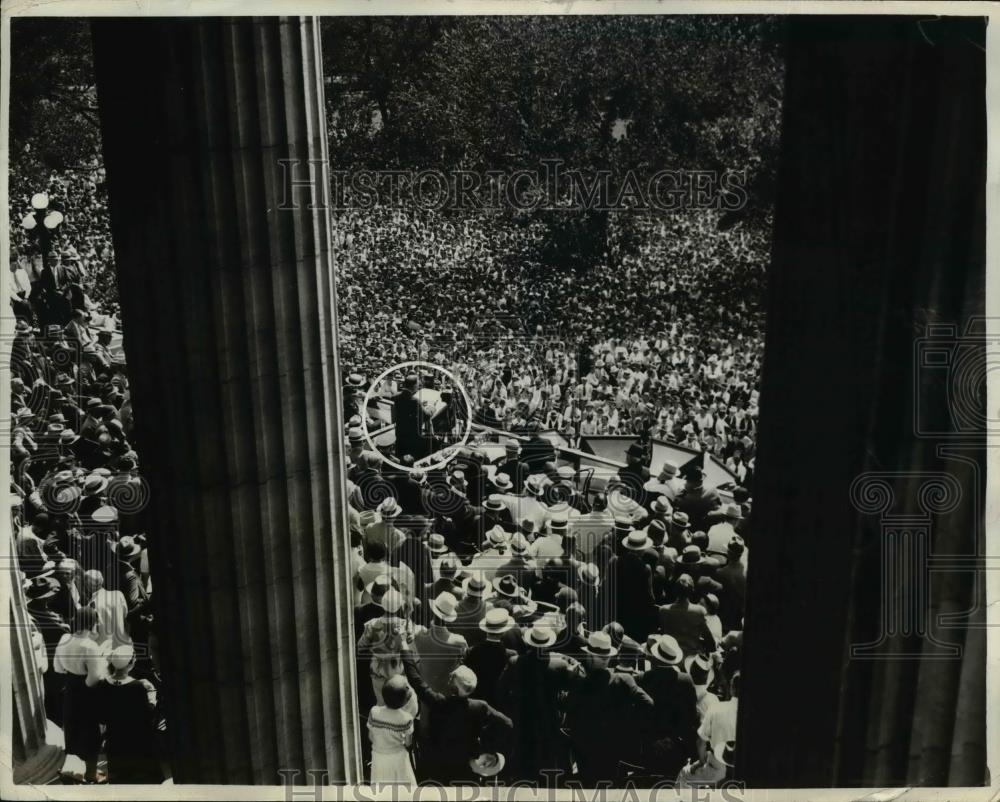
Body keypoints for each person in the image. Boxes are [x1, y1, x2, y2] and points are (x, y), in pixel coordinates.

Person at [399, 645, 512, 784]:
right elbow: (507, 724)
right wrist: (488, 749)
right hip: (467, 765)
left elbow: (415, 679)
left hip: (439, 765)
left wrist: (404, 647)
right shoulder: (480, 706)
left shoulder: (438, 702)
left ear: (451, 685)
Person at [564, 631, 655, 786]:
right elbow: (648, 703)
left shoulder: (579, 684)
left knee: (589, 787)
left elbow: (568, 709)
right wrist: (628, 724)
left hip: (586, 749)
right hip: (615, 747)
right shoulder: (623, 680)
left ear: (590, 656)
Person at [94, 644, 163, 783]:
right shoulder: (138, 686)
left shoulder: (103, 684)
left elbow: (101, 717)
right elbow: (147, 715)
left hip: (115, 742)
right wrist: (152, 698)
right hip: (138, 742)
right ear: (130, 663)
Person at [53, 606, 106, 783]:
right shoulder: (90, 646)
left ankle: (72, 769)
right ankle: (91, 774)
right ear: (92, 623)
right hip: (86, 692)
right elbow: (95, 677)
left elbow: (57, 668)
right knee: (91, 732)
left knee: (72, 729)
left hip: (70, 688)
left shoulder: (64, 638)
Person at [676, 672, 740, 788]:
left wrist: (700, 762)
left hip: (718, 770)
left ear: (732, 688)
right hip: (745, 770)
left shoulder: (716, 708)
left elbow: (700, 742)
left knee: (683, 775)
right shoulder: (756, 714)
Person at [367, 674, 418, 787]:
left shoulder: (374, 712)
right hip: (398, 757)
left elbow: (371, 736)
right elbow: (408, 743)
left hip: (379, 757)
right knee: (403, 788)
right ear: (405, 702)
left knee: (381, 789)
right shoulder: (406, 719)